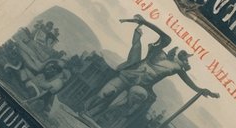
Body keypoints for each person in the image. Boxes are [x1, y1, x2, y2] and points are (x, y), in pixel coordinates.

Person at [83, 15, 217, 120]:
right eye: (183, 56)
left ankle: (95, 115)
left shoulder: (176, 68)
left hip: (141, 86)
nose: (184, 61)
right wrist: (145, 22)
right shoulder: (158, 51)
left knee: (122, 101)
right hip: (129, 75)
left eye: (185, 59)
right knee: (105, 94)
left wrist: (201, 90)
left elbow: (187, 80)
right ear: (176, 53)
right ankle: (86, 111)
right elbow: (165, 38)